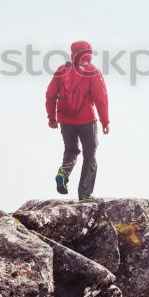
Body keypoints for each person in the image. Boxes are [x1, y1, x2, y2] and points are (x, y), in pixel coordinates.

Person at [45, 40, 109, 201]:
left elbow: (50, 95)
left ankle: (63, 174)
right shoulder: (92, 71)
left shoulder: (62, 70)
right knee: (90, 156)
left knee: (71, 151)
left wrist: (52, 117)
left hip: (65, 120)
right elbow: (101, 99)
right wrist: (105, 121)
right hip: (87, 120)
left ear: (72, 52)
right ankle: (84, 194)